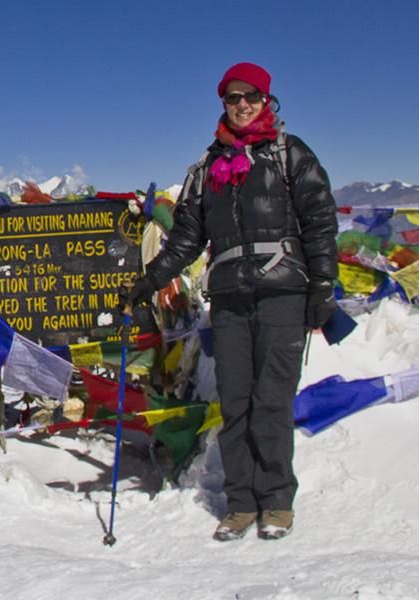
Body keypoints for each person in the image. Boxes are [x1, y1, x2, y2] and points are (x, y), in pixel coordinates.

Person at [123, 63, 338, 541]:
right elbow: (186, 239)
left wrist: (322, 285)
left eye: (251, 96)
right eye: (232, 98)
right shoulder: (207, 169)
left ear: (267, 100)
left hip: (283, 292)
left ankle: (277, 500)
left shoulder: (290, 155)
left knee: (272, 399)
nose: (242, 105)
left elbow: (320, 222)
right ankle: (241, 503)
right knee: (236, 400)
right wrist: (150, 280)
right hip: (230, 299)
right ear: (223, 103)